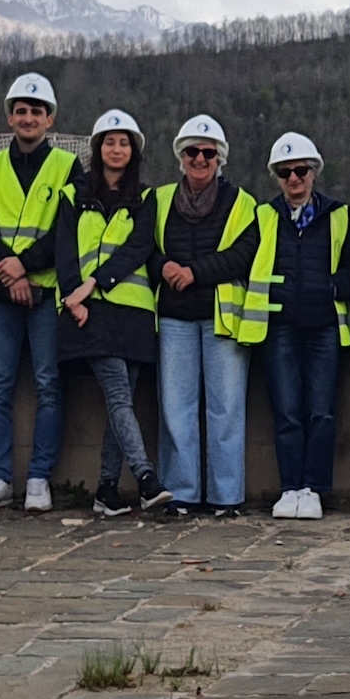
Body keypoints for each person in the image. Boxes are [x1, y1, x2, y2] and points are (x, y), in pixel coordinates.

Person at [0, 73, 79, 515]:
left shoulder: (68, 166)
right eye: (21, 111)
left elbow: (67, 230)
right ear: (9, 118)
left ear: (50, 119)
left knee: (49, 384)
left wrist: (25, 267)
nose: (28, 118)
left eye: (37, 111)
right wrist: (10, 276)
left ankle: (38, 478)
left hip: (46, 291)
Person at [237, 132, 350, 521]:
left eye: (301, 171)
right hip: (280, 326)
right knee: (287, 411)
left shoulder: (338, 215)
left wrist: (334, 287)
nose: (294, 178)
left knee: (321, 412)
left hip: (325, 327)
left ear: (314, 173)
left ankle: (313, 489)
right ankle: (290, 487)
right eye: (285, 172)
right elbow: (241, 259)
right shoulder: (263, 216)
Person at [56, 110, 168, 518]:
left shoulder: (146, 197)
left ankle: (106, 488)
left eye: (124, 142)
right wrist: (75, 296)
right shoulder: (73, 194)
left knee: (120, 402)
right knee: (119, 395)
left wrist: (95, 282)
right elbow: (64, 250)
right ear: (97, 147)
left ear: (133, 150)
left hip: (133, 311)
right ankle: (146, 479)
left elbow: (138, 248)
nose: (117, 149)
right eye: (109, 141)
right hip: (89, 312)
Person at [151, 114, 260, 516]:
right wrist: (164, 266)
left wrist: (194, 272)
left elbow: (244, 254)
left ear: (220, 158)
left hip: (222, 318)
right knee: (175, 408)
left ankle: (225, 497)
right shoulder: (159, 199)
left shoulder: (242, 202)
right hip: (174, 317)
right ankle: (181, 492)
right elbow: (144, 246)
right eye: (192, 152)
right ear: (180, 157)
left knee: (226, 409)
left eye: (208, 153)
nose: (200, 159)